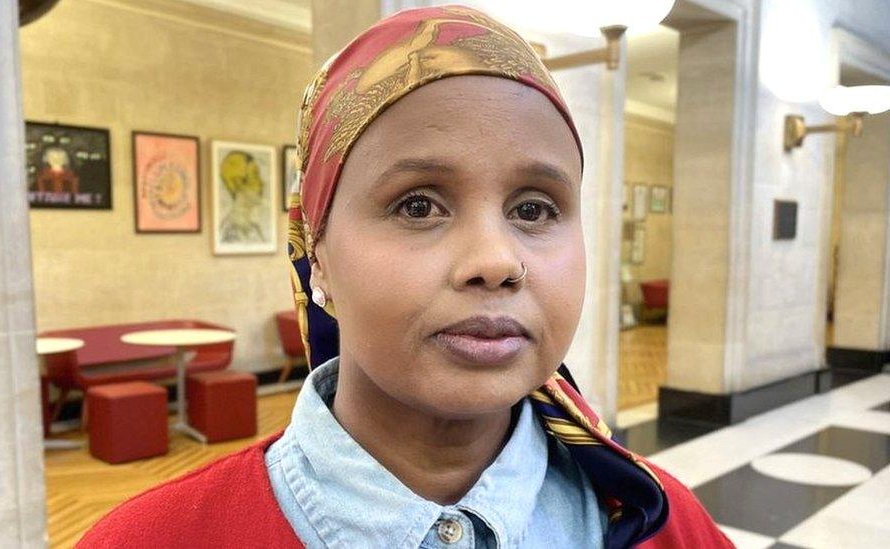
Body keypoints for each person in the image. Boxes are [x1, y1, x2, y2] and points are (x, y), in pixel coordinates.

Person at [78, 6, 733, 548]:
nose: (497, 260)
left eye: (535, 208)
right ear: (319, 257)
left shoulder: (663, 523)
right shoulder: (158, 537)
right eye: (418, 204)